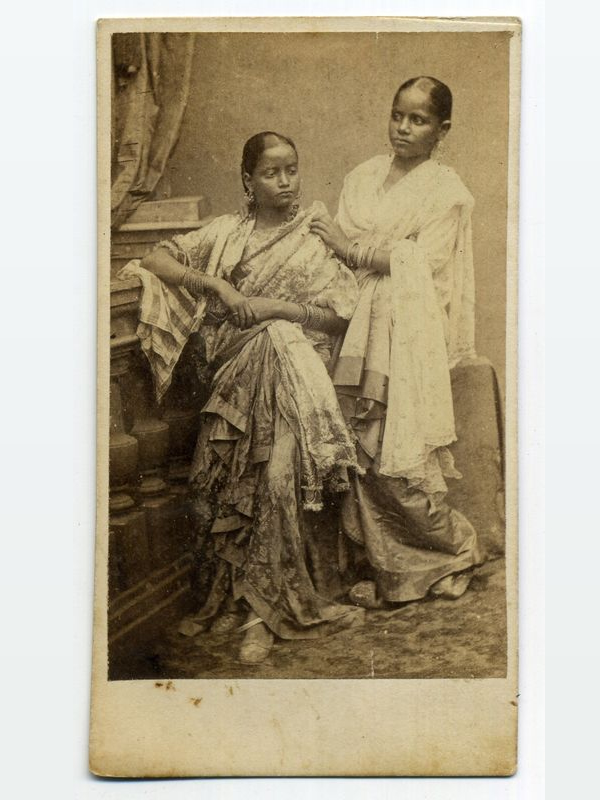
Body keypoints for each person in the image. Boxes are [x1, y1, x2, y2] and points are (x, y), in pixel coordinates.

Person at [121, 131, 364, 664]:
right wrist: (218, 288)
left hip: (296, 381)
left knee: (278, 479)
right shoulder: (227, 233)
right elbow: (157, 258)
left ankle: (269, 611)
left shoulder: (316, 234)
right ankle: (239, 607)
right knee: (229, 492)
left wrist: (278, 308)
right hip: (233, 386)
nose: (285, 182)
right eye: (272, 173)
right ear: (248, 182)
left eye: (291, 170)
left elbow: (340, 314)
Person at [309, 77, 485, 608]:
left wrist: (352, 247)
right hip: (353, 327)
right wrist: (351, 252)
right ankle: (391, 570)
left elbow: (422, 263)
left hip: (403, 334)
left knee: (393, 454)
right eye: (397, 116)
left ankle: (455, 551)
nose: (404, 128)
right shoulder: (362, 176)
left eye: (419, 120)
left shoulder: (446, 193)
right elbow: (334, 250)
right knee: (356, 450)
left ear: (442, 130)